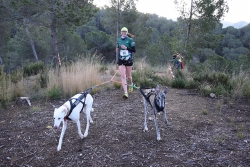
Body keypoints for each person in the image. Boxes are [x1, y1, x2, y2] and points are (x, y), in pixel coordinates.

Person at [116, 27, 136, 99]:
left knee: (128, 76)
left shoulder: (130, 40)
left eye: (125, 31)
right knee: (123, 76)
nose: (123, 33)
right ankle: (126, 92)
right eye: (122, 31)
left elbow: (134, 50)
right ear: (121, 32)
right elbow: (118, 47)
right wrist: (117, 49)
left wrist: (126, 48)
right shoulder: (118, 40)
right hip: (121, 60)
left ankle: (131, 84)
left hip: (129, 60)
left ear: (127, 32)